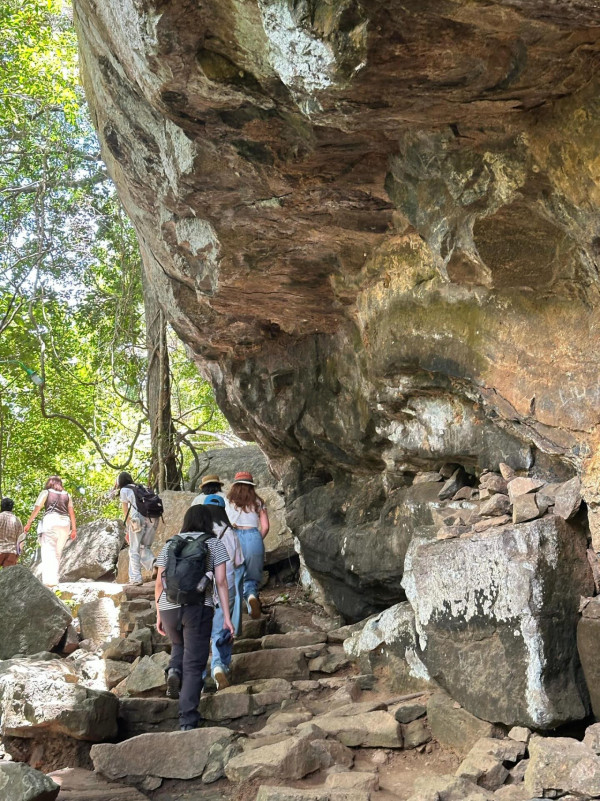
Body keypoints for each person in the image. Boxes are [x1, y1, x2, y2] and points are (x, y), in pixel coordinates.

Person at [154, 504, 234, 730]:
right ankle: (187, 721)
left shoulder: (171, 543)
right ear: (207, 522)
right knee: (194, 664)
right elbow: (221, 582)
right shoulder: (213, 543)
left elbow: (160, 582)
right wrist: (227, 617)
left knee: (178, 644)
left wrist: (158, 613)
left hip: (169, 607)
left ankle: (174, 671)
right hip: (198, 607)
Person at [203, 494, 244, 690]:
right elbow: (238, 562)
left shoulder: (199, 533)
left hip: (201, 588)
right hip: (226, 586)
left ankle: (199, 676)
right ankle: (219, 665)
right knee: (222, 628)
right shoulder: (230, 533)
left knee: (201, 631)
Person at [225, 471, 269, 620]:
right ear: (251, 486)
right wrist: (257, 539)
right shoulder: (258, 502)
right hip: (253, 537)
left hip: (234, 537)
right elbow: (266, 527)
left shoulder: (228, 501)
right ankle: (251, 598)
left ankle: (233, 613)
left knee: (235, 575)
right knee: (251, 577)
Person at [24, 476, 76, 586]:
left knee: (48, 551)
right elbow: (71, 512)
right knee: (57, 553)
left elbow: (37, 508)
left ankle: (48, 581)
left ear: (49, 483)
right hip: (65, 524)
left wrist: (29, 523)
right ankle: (54, 580)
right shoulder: (67, 495)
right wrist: (74, 529)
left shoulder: (46, 492)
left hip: (51, 521)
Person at [116, 471, 158, 587]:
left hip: (138, 519)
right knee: (144, 547)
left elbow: (125, 511)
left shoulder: (124, 490)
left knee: (134, 549)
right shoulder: (141, 487)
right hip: (153, 517)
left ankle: (135, 578)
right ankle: (155, 564)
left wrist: (130, 525)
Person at [0, 498, 24, 567]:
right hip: (11, 553)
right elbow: (20, 540)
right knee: (8, 576)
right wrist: (18, 554)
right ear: (12, 508)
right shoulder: (17, 520)